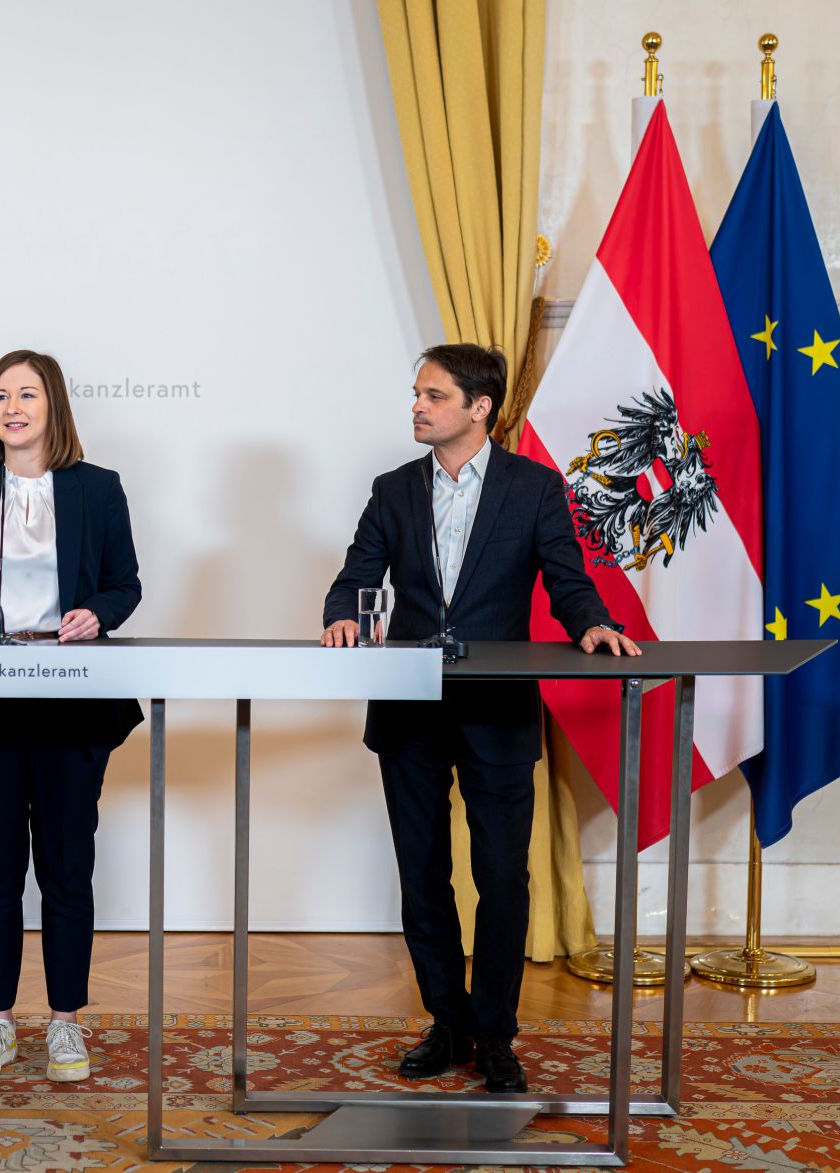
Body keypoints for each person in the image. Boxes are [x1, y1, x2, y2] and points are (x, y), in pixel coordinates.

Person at [321, 343, 638, 1093]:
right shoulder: (392, 489)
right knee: (423, 876)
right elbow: (355, 575)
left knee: (503, 878)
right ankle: (447, 1022)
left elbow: (567, 576)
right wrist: (340, 616)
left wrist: (590, 621)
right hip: (410, 711)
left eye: (433, 395)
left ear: (479, 406)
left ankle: (495, 1032)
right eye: (416, 394)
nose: (417, 406)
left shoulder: (534, 488)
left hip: (498, 712)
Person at [0, 349, 141, 1083]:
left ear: (54, 407)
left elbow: (125, 584)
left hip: (73, 699)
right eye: (0, 397)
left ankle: (66, 1023)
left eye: (27, 394)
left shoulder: (98, 489)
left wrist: (95, 615)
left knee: (67, 869)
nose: (12, 407)